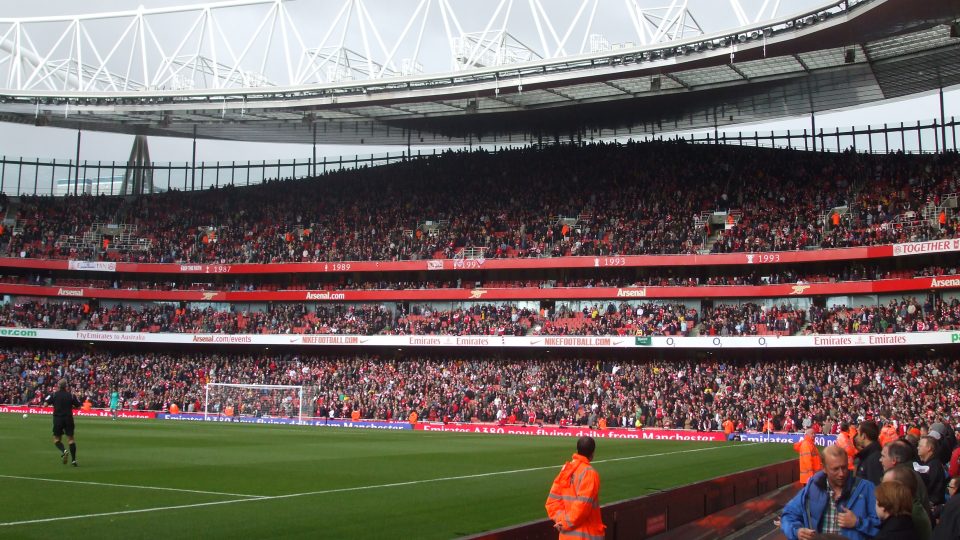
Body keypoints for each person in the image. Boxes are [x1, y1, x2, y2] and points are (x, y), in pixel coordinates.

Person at [780, 444, 880, 540]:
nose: (841, 474)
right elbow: (788, 514)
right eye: (835, 469)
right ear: (824, 468)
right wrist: (797, 531)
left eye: (844, 467)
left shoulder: (865, 488)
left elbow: (882, 526)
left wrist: (858, 522)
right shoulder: (813, 488)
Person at [545, 436, 605, 540]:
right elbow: (582, 508)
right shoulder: (590, 473)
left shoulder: (566, 469)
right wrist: (564, 522)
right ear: (592, 453)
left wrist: (560, 520)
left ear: (577, 450)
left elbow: (552, 502)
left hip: (566, 536)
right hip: (586, 535)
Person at [882, 464, 932, 540]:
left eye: (887, 485)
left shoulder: (910, 513)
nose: (881, 489)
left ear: (901, 488)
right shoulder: (908, 507)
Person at [43, 378, 80, 467]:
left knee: (56, 439)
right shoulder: (71, 395)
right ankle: (74, 460)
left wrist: (54, 404)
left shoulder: (54, 395)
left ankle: (64, 451)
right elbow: (78, 406)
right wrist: (71, 407)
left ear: (58, 386)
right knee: (71, 439)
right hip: (68, 419)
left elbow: (45, 405)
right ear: (66, 386)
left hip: (58, 419)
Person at [855, 420, 883, 486]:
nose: (857, 437)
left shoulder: (874, 457)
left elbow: (874, 486)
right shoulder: (868, 454)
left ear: (864, 436)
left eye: (858, 433)